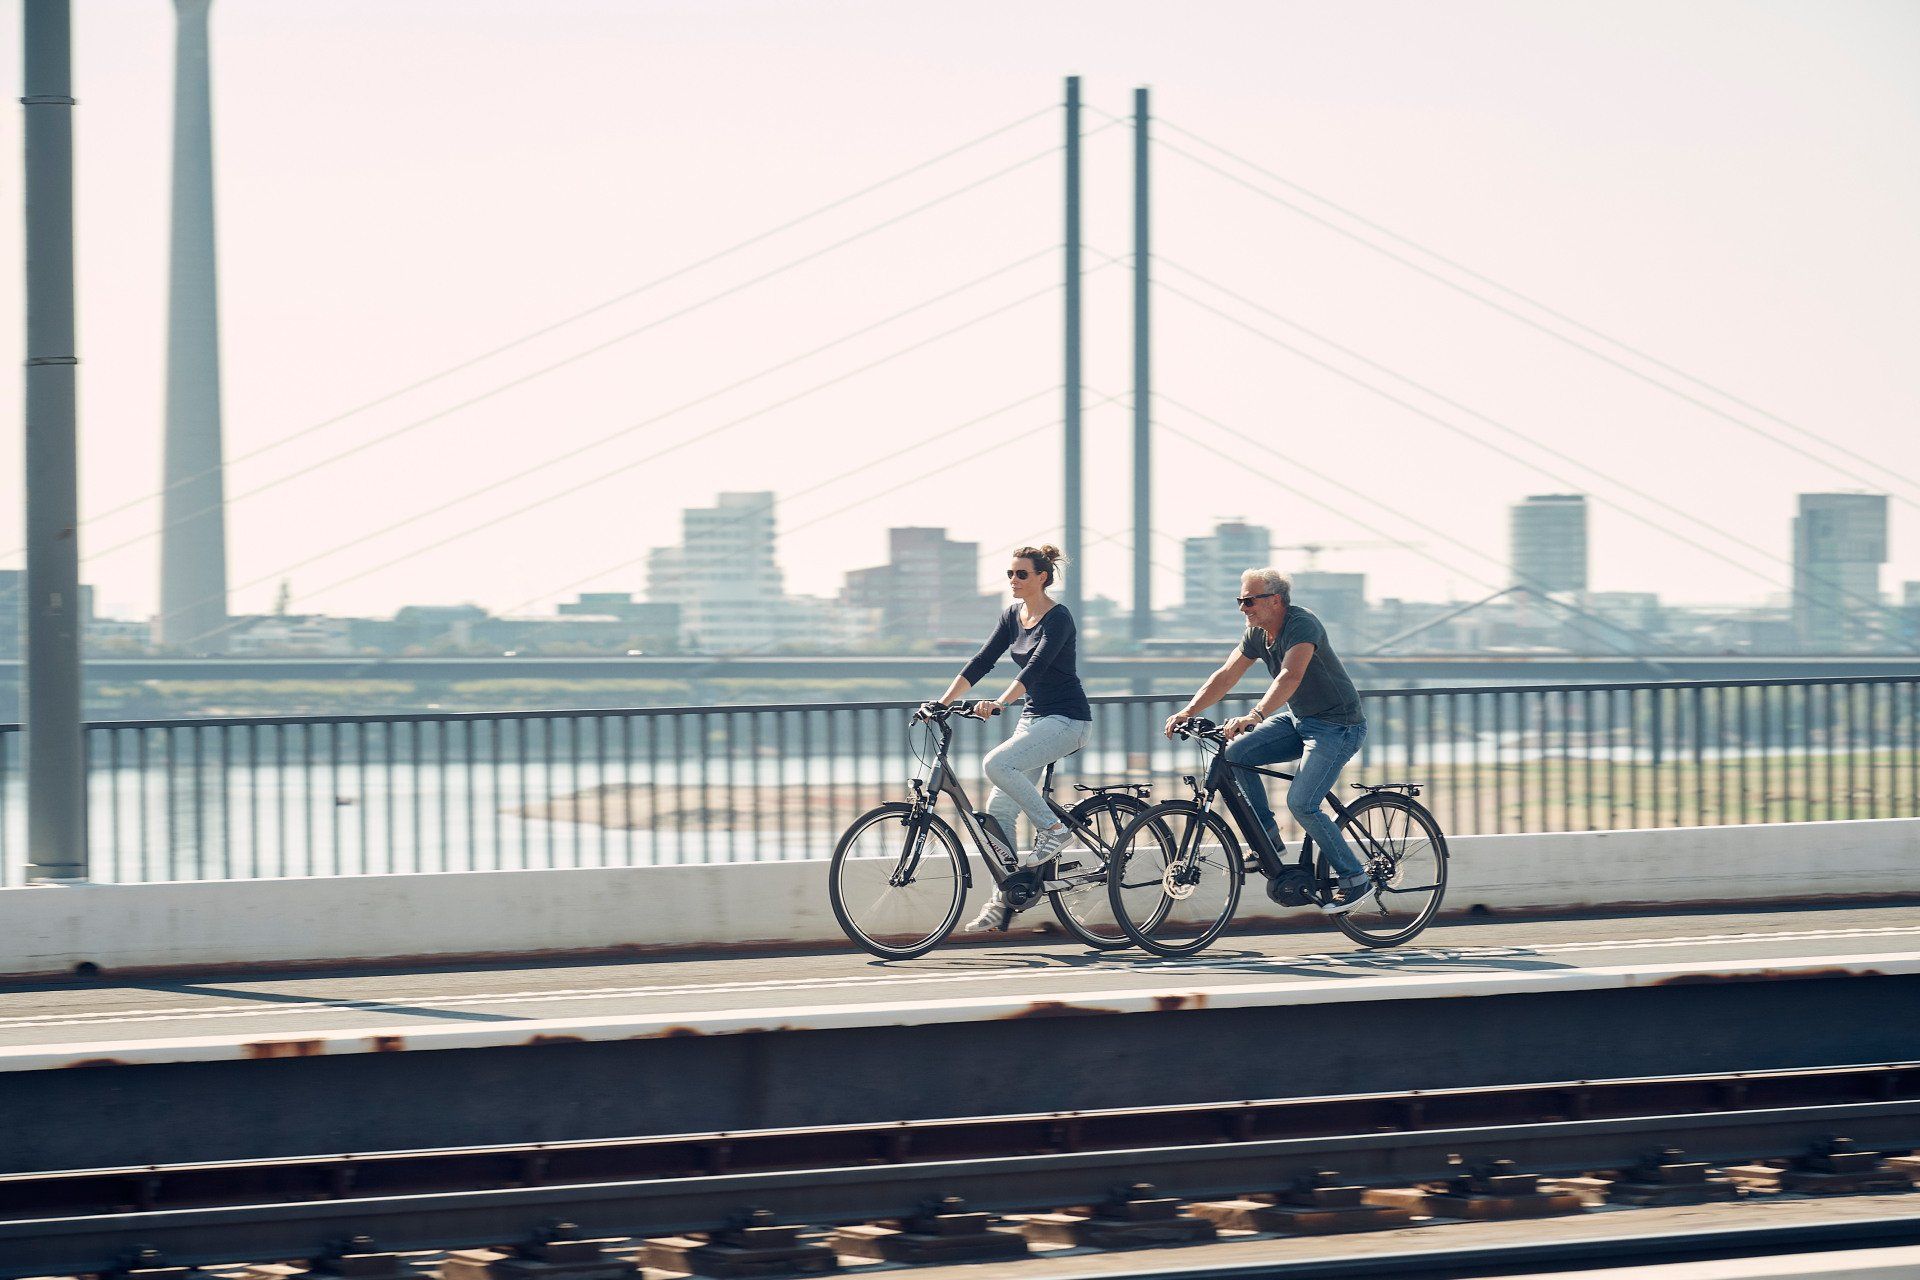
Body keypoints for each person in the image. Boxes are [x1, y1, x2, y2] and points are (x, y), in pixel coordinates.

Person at [1163, 567, 1372, 914]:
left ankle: (1355, 879)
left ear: (1275, 600)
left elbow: (1291, 675)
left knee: (1303, 803)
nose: (1242, 608)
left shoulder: (1302, 625)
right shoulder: (1256, 633)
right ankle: (1269, 841)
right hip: (1300, 720)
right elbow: (1226, 675)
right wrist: (1188, 710)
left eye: (1248, 600)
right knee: (1238, 754)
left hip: (1338, 726)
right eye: (1239, 601)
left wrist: (1255, 715)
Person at [928, 544, 1093, 932]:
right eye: (1010, 574)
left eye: (1021, 574)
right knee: (998, 814)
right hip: (1035, 719)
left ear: (1042, 577)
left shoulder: (1059, 618)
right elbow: (982, 661)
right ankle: (1005, 900)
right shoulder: (1011, 616)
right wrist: (942, 701)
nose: (1013, 581)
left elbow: (1037, 666)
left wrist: (1000, 702)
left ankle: (1054, 830)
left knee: (996, 764)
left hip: (1067, 719)